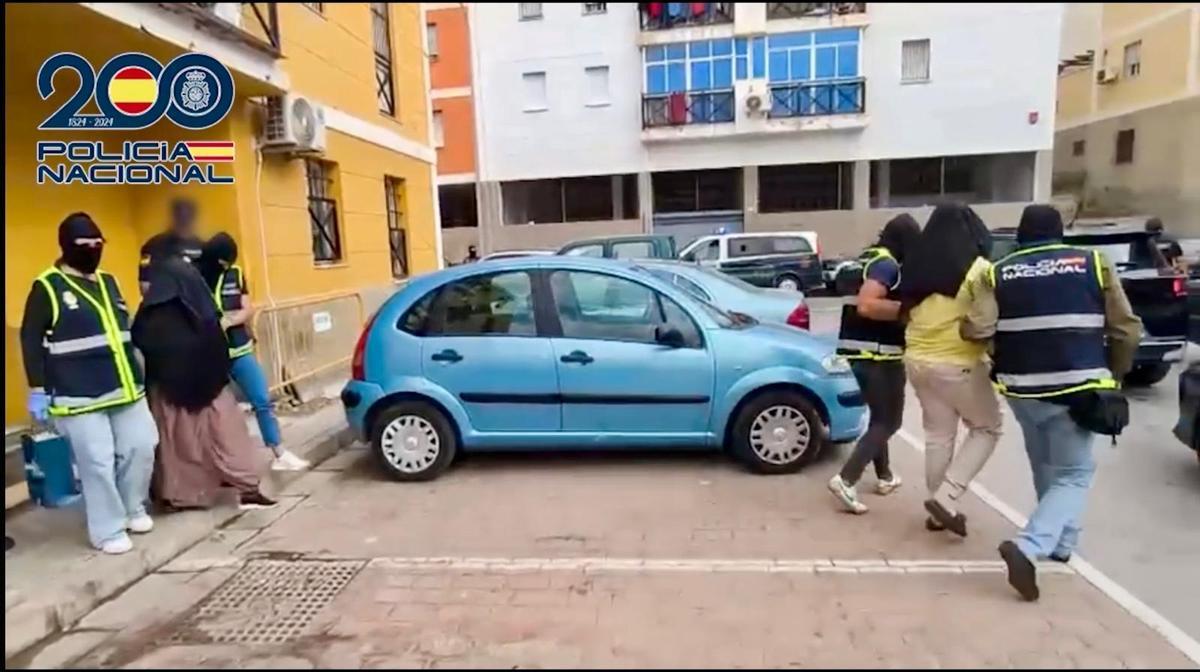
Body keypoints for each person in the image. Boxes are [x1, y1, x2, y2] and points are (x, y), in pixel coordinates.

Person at [962, 204, 1142, 601]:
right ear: (1060, 233)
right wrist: (1115, 373)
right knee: (1074, 474)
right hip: (1077, 388)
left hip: (1022, 390)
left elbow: (977, 327)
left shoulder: (999, 271)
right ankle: (1031, 546)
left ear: (1022, 236)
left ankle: (1063, 543)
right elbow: (1127, 329)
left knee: (1046, 465)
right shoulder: (1093, 263)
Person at [19, 213, 159, 554]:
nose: (94, 251)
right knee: (96, 462)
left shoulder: (109, 281)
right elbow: (30, 338)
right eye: (85, 246)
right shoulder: (48, 286)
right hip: (77, 394)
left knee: (142, 446)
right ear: (67, 247)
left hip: (125, 386)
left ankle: (132, 508)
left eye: (99, 245)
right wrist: (37, 388)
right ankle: (107, 529)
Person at [134, 257, 276, 511]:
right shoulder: (199, 305)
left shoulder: (150, 313)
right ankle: (245, 488)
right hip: (204, 385)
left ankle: (181, 496)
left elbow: (144, 346)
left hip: (173, 390)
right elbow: (216, 340)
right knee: (226, 437)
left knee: (181, 446)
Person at [898, 203, 1002, 537]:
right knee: (987, 428)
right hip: (959, 364)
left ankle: (938, 510)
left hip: (917, 361)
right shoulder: (978, 270)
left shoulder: (915, 266)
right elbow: (985, 324)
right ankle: (947, 495)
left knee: (938, 435)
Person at [828, 213, 922, 514]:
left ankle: (885, 476)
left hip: (856, 355)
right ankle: (846, 479)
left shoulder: (864, 259)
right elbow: (868, 305)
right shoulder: (887, 265)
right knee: (889, 421)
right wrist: (909, 311)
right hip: (879, 356)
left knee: (878, 418)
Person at [197, 234, 309, 471]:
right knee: (215, 412)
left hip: (239, 350)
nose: (226, 266)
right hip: (210, 357)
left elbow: (247, 307)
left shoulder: (236, 274)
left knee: (261, 399)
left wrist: (231, 320)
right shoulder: (195, 277)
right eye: (222, 261)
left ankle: (279, 452)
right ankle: (218, 464)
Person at [139, 197, 205, 294]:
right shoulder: (154, 246)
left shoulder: (202, 247)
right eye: (181, 218)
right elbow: (145, 285)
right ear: (174, 218)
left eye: (187, 218)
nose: (184, 222)